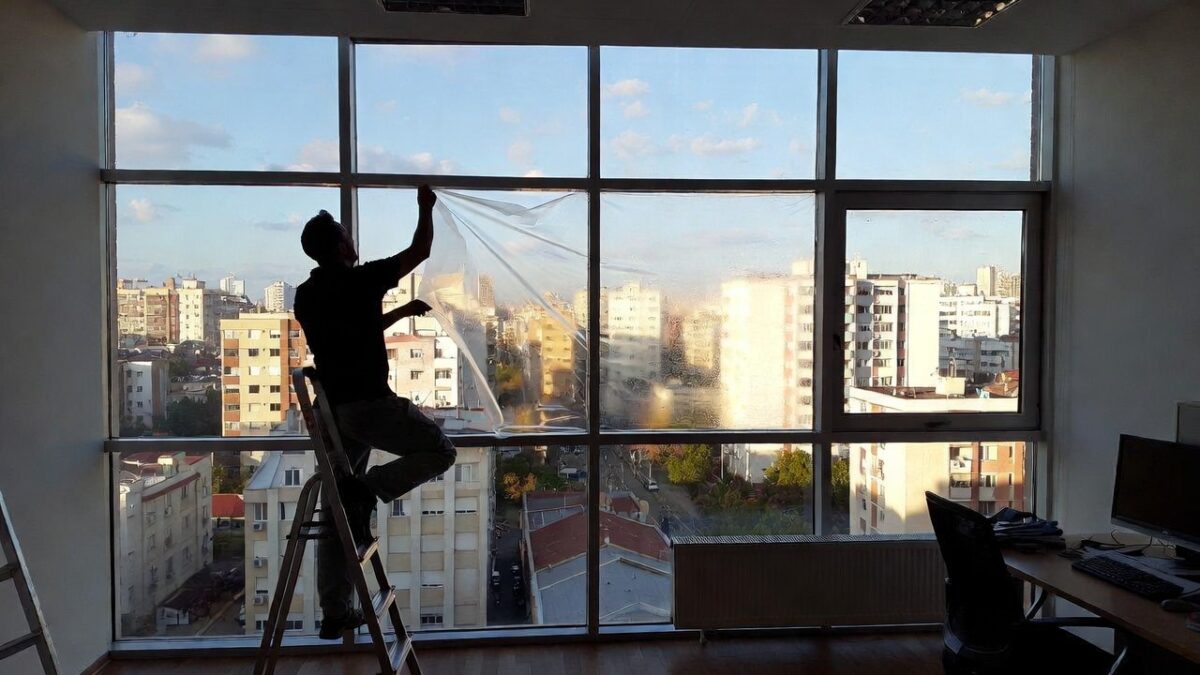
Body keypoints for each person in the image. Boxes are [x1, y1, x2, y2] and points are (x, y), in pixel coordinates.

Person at [294, 184, 457, 639]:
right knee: (441, 451)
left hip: (336, 411)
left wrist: (400, 311)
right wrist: (425, 205)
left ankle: (335, 612)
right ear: (340, 245)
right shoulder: (361, 280)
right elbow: (421, 249)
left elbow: (351, 333)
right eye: (346, 232)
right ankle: (367, 490)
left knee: (335, 513)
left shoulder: (306, 296)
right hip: (368, 405)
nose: (352, 237)